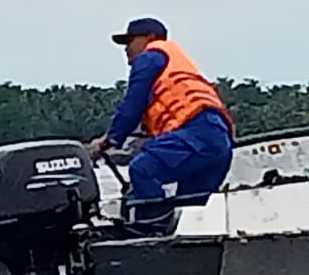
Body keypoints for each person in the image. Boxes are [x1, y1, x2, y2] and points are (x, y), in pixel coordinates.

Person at [87, 17, 234, 230]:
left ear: (150, 38)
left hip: (196, 133)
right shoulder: (176, 64)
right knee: (189, 212)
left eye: (130, 41)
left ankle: (152, 234)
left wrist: (108, 141)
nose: (126, 48)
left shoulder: (151, 57)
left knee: (142, 170)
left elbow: (132, 105)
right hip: (219, 142)